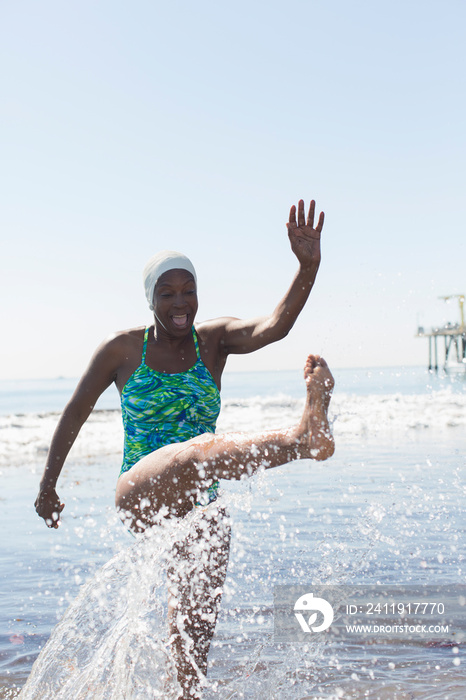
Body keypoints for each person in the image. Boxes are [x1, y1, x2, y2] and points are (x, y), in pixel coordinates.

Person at [35, 198, 335, 699]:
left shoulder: (211, 342)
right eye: (167, 293)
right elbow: (74, 415)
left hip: (202, 508)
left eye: (188, 291)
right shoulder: (122, 349)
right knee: (197, 451)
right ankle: (302, 439)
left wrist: (308, 266)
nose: (180, 303)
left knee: (192, 645)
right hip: (141, 492)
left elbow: (275, 325)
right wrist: (48, 487)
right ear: (150, 298)